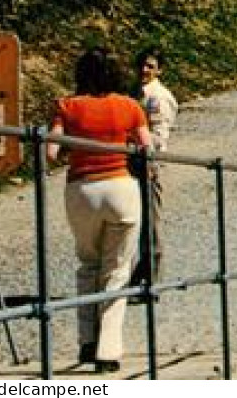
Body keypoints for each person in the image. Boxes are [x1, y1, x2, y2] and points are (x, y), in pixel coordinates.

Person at [48, 48, 151, 372]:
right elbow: (148, 148)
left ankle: (86, 341)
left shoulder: (67, 106)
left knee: (88, 264)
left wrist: (72, 153)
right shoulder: (130, 107)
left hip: (81, 191)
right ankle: (108, 350)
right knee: (117, 271)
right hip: (121, 188)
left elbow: (51, 152)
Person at [130, 49, 177, 286]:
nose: (144, 70)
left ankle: (154, 276)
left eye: (150, 66)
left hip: (148, 164)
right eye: (142, 65)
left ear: (160, 70)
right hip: (131, 162)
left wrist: (150, 162)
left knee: (151, 219)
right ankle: (142, 269)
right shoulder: (135, 93)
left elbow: (159, 136)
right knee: (136, 218)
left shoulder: (158, 98)